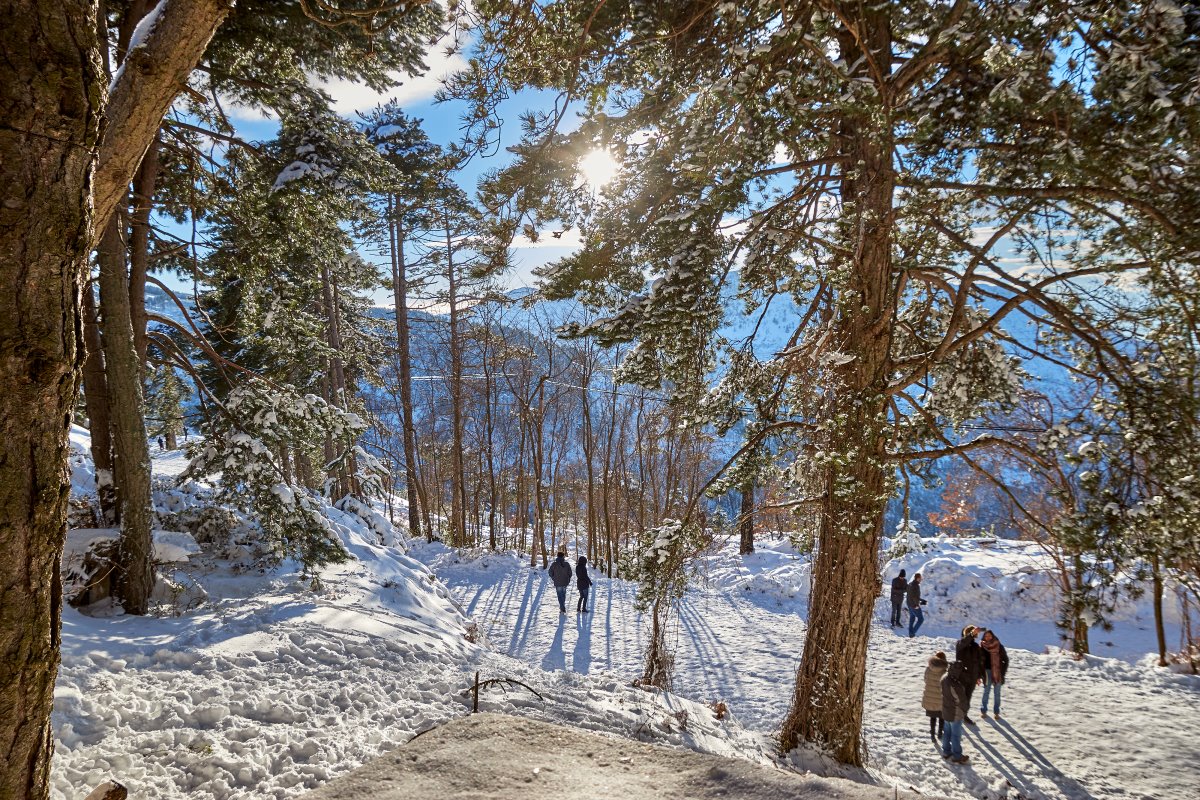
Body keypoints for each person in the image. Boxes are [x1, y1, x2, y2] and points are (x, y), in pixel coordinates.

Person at [940, 659, 970, 764]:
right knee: (956, 735)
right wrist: (965, 710)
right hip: (955, 713)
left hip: (946, 710)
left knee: (947, 732)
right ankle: (957, 756)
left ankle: (946, 752)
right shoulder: (955, 684)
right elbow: (961, 700)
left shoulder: (944, 678)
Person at [955, 625, 986, 726]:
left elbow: (979, 662)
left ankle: (964, 715)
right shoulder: (960, 644)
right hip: (962, 676)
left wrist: (979, 676)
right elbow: (964, 642)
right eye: (974, 633)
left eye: (975, 633)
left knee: (968, 698)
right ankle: (956, 716)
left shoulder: (976, 647)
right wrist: (971, 634)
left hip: (972, 677)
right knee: (960, 698)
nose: (976, 635)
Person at [979, 628, 1010, 719]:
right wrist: (980, 673)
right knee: (986, 691)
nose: (988, 637)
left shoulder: (999, 646)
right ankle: (983, 710)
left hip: (997, 672)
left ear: (992, 636)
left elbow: (1005, 660)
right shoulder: (982, 647)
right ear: (984, 637)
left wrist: (1002, 672)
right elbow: (979, 661)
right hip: (987, 672)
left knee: (997, 693)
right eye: (986, 636)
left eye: (989, 635)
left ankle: (996, 712)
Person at [922, 650, 948, 743]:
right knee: (942, 717)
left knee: (932, 718)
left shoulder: (928, 669)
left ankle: (932, 735)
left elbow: (925, 679)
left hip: (930, 697)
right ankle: (940, 733)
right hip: (941, 698)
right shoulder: (944, 670)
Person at [548, 551, 572, 615]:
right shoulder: (567, 564)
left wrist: (554, 578)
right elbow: (570, 573)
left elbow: (550, 572)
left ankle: (562, 608)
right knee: (563, 595)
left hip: (558, 582)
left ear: (557, 556)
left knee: (559, 595)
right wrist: (568, 578)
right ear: (563, 556)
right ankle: (562, 607)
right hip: (565, 582)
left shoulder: (554, 564)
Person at [906, 573, 928, 637]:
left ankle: (910, 633)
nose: (921, 579)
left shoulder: (910, 584)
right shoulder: (916, 586)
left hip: (909, 604)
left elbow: (910, 595)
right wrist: (916, 605)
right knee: (921, 619)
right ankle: (912, 633)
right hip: (914, 605)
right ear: (918, 578)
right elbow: (915, 597)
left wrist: (922, 601)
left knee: (912, 617)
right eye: (921, 578)